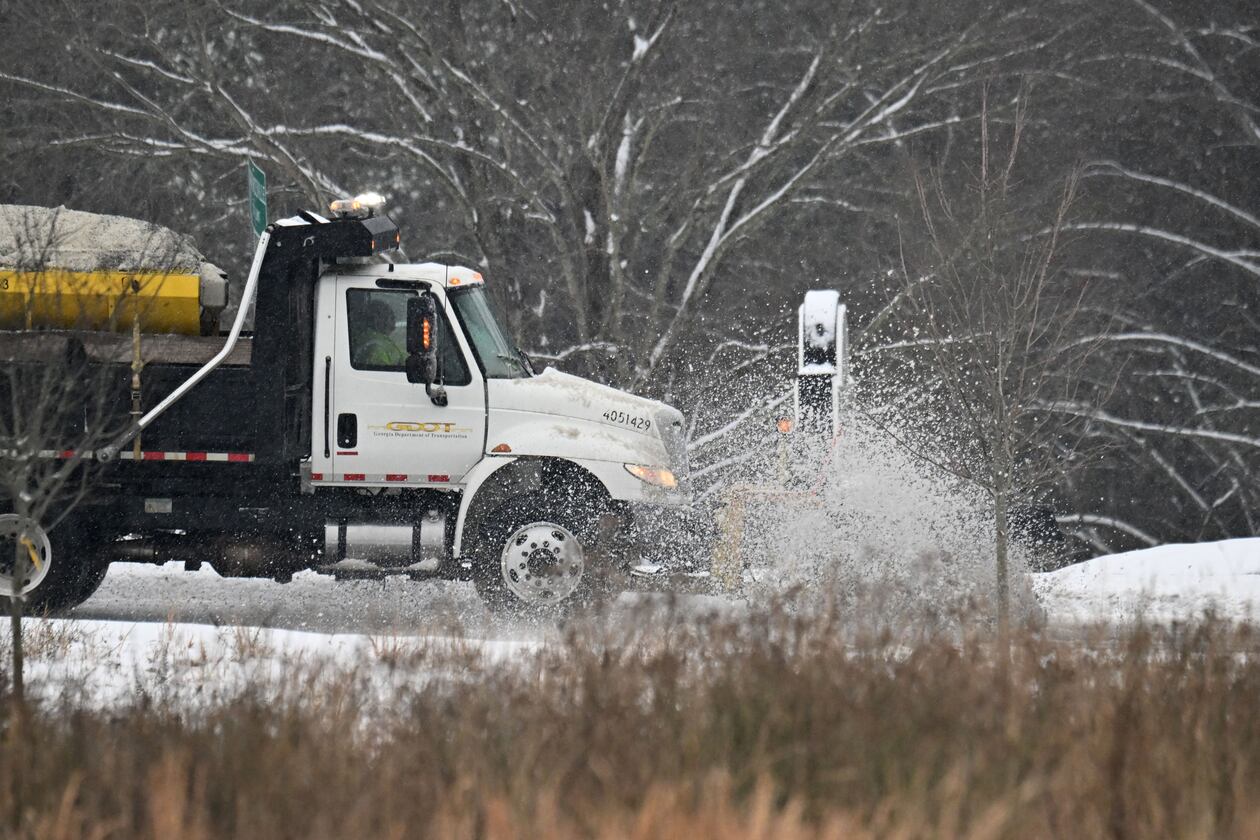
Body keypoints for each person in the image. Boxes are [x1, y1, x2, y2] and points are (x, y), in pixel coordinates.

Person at [356, 299, 406, 367]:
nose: (394, 326)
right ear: (377, 320)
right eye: (391, 318)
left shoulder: (376, 341)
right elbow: (384, 372)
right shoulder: (376, 348)